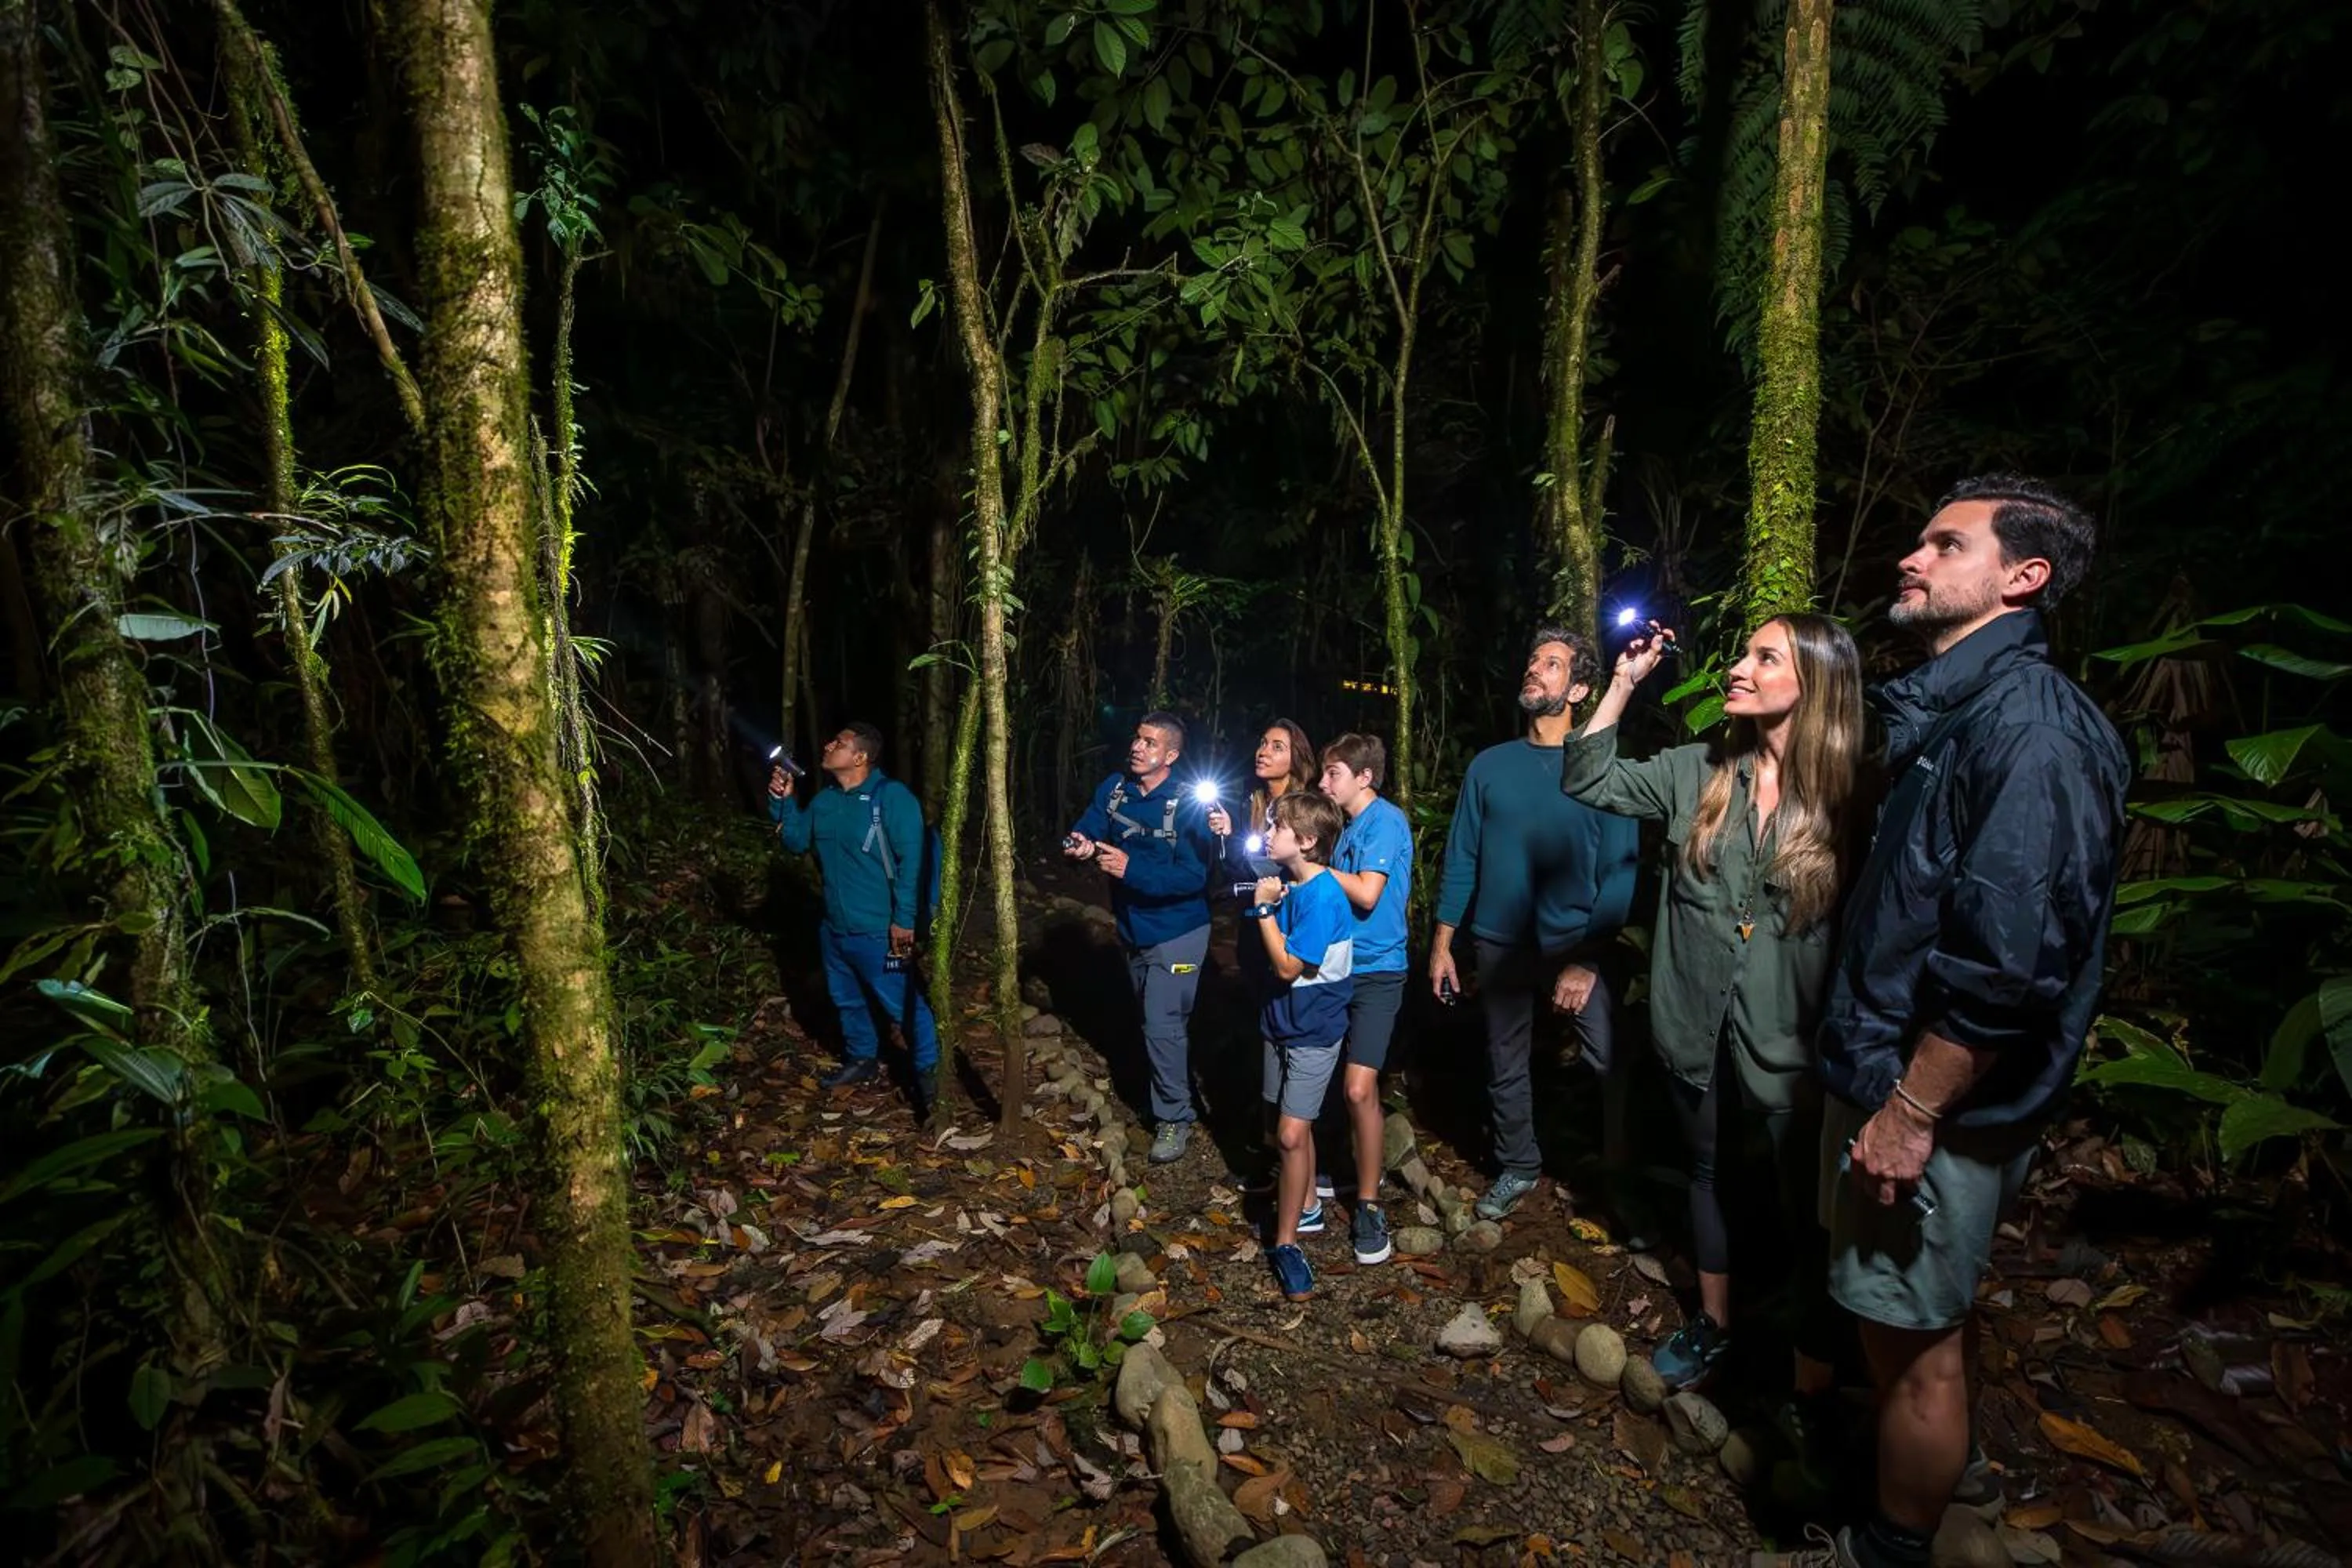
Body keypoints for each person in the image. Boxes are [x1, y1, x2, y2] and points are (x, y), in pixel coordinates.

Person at [1758, 477, 2128, 1568]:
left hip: (1932, 1106)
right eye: (1918, 539)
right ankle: (1905, 1478)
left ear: (2024, 578)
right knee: (1893, 1324)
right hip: (1886, 1072)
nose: (1911, 559)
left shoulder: (2034, 732)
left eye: (1944, 544)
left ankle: (1889, 1546)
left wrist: (1913, 1111)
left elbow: (2009, 966)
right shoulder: (1951, 714)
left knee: (1917, 1347)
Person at [1565, 615, 1865, 1414]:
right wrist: (1624, 681)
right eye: (1742, 652)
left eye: (1764, 657)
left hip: (1793, 1047)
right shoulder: (1693, 769)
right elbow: (1588, 778)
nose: (1737, 667)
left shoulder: (1852, 795)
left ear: (1815, 683)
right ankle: (1715, 1321)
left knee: (1811, 1211)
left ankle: (1815, 1373)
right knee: (1708, 1173)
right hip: (1693, 1026)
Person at [1431, 626, 1640, 1221]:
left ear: (1578, 688)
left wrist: (1585, 959)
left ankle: (1618, 1178)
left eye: (1551, 664)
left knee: (1608, 1061)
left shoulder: (1602, 769)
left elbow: (1620, 875)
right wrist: (1443, 943)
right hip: (1500, 943)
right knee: (1505, 1061)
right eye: (1532, 660)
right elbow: (1462, 856)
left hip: (1577, 942)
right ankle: (1518, 1165)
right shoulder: (1490, 767)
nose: (1534, 670)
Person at [1064, 712, 1220, 1163]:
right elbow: (1090, 826)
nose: (1138, 747)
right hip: (1133, 928)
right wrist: (1080, 844)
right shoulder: (1115, 789)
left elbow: (1194, 877)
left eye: (1151, 743)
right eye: (1137, 738)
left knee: (1162, 1023)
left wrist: (1132, 870)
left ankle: (1176, 1118)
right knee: (1159, 1023)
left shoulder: (1189, 804)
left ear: (1170, 755)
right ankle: (1180, 1081)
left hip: (1181, 932)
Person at [769, 723, 941, 1113]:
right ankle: (862, 1061)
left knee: (905, 1006)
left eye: (839, 743)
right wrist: (784, 801)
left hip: (881, 930)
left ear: (860, 757)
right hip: (835, 929)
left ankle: (931, 1081)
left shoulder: (893, 799)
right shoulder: (826, 802)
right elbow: (795, 841)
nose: (828, 745)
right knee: (847, 1000)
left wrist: (904, 923)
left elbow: (912, 863)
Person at [1244, 789, 1355, 1303]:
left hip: (1313, 1030)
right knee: (1285, 1125)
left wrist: (1263, 913)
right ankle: (1306, 1201)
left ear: (1306, 841)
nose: (1268, 835)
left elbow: (1289, 966)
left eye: (1276, 827)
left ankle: (1286, 1245)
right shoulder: (1296, 885)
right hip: (1280, 1022)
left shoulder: (1326, 896)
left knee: (1291, 1135)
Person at [1317, 734, 1414, 1266]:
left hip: (1378, 972)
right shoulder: (1348, 828)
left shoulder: (1385, 822)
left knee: (1359, 1089)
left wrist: (1310, 868)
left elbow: (1368, 893)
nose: (1323, 783)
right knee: (1328, 1076)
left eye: (1333, 774)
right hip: (1336, 968)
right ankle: (1332, 1169)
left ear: (1363, 778)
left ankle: (1371, 1203)